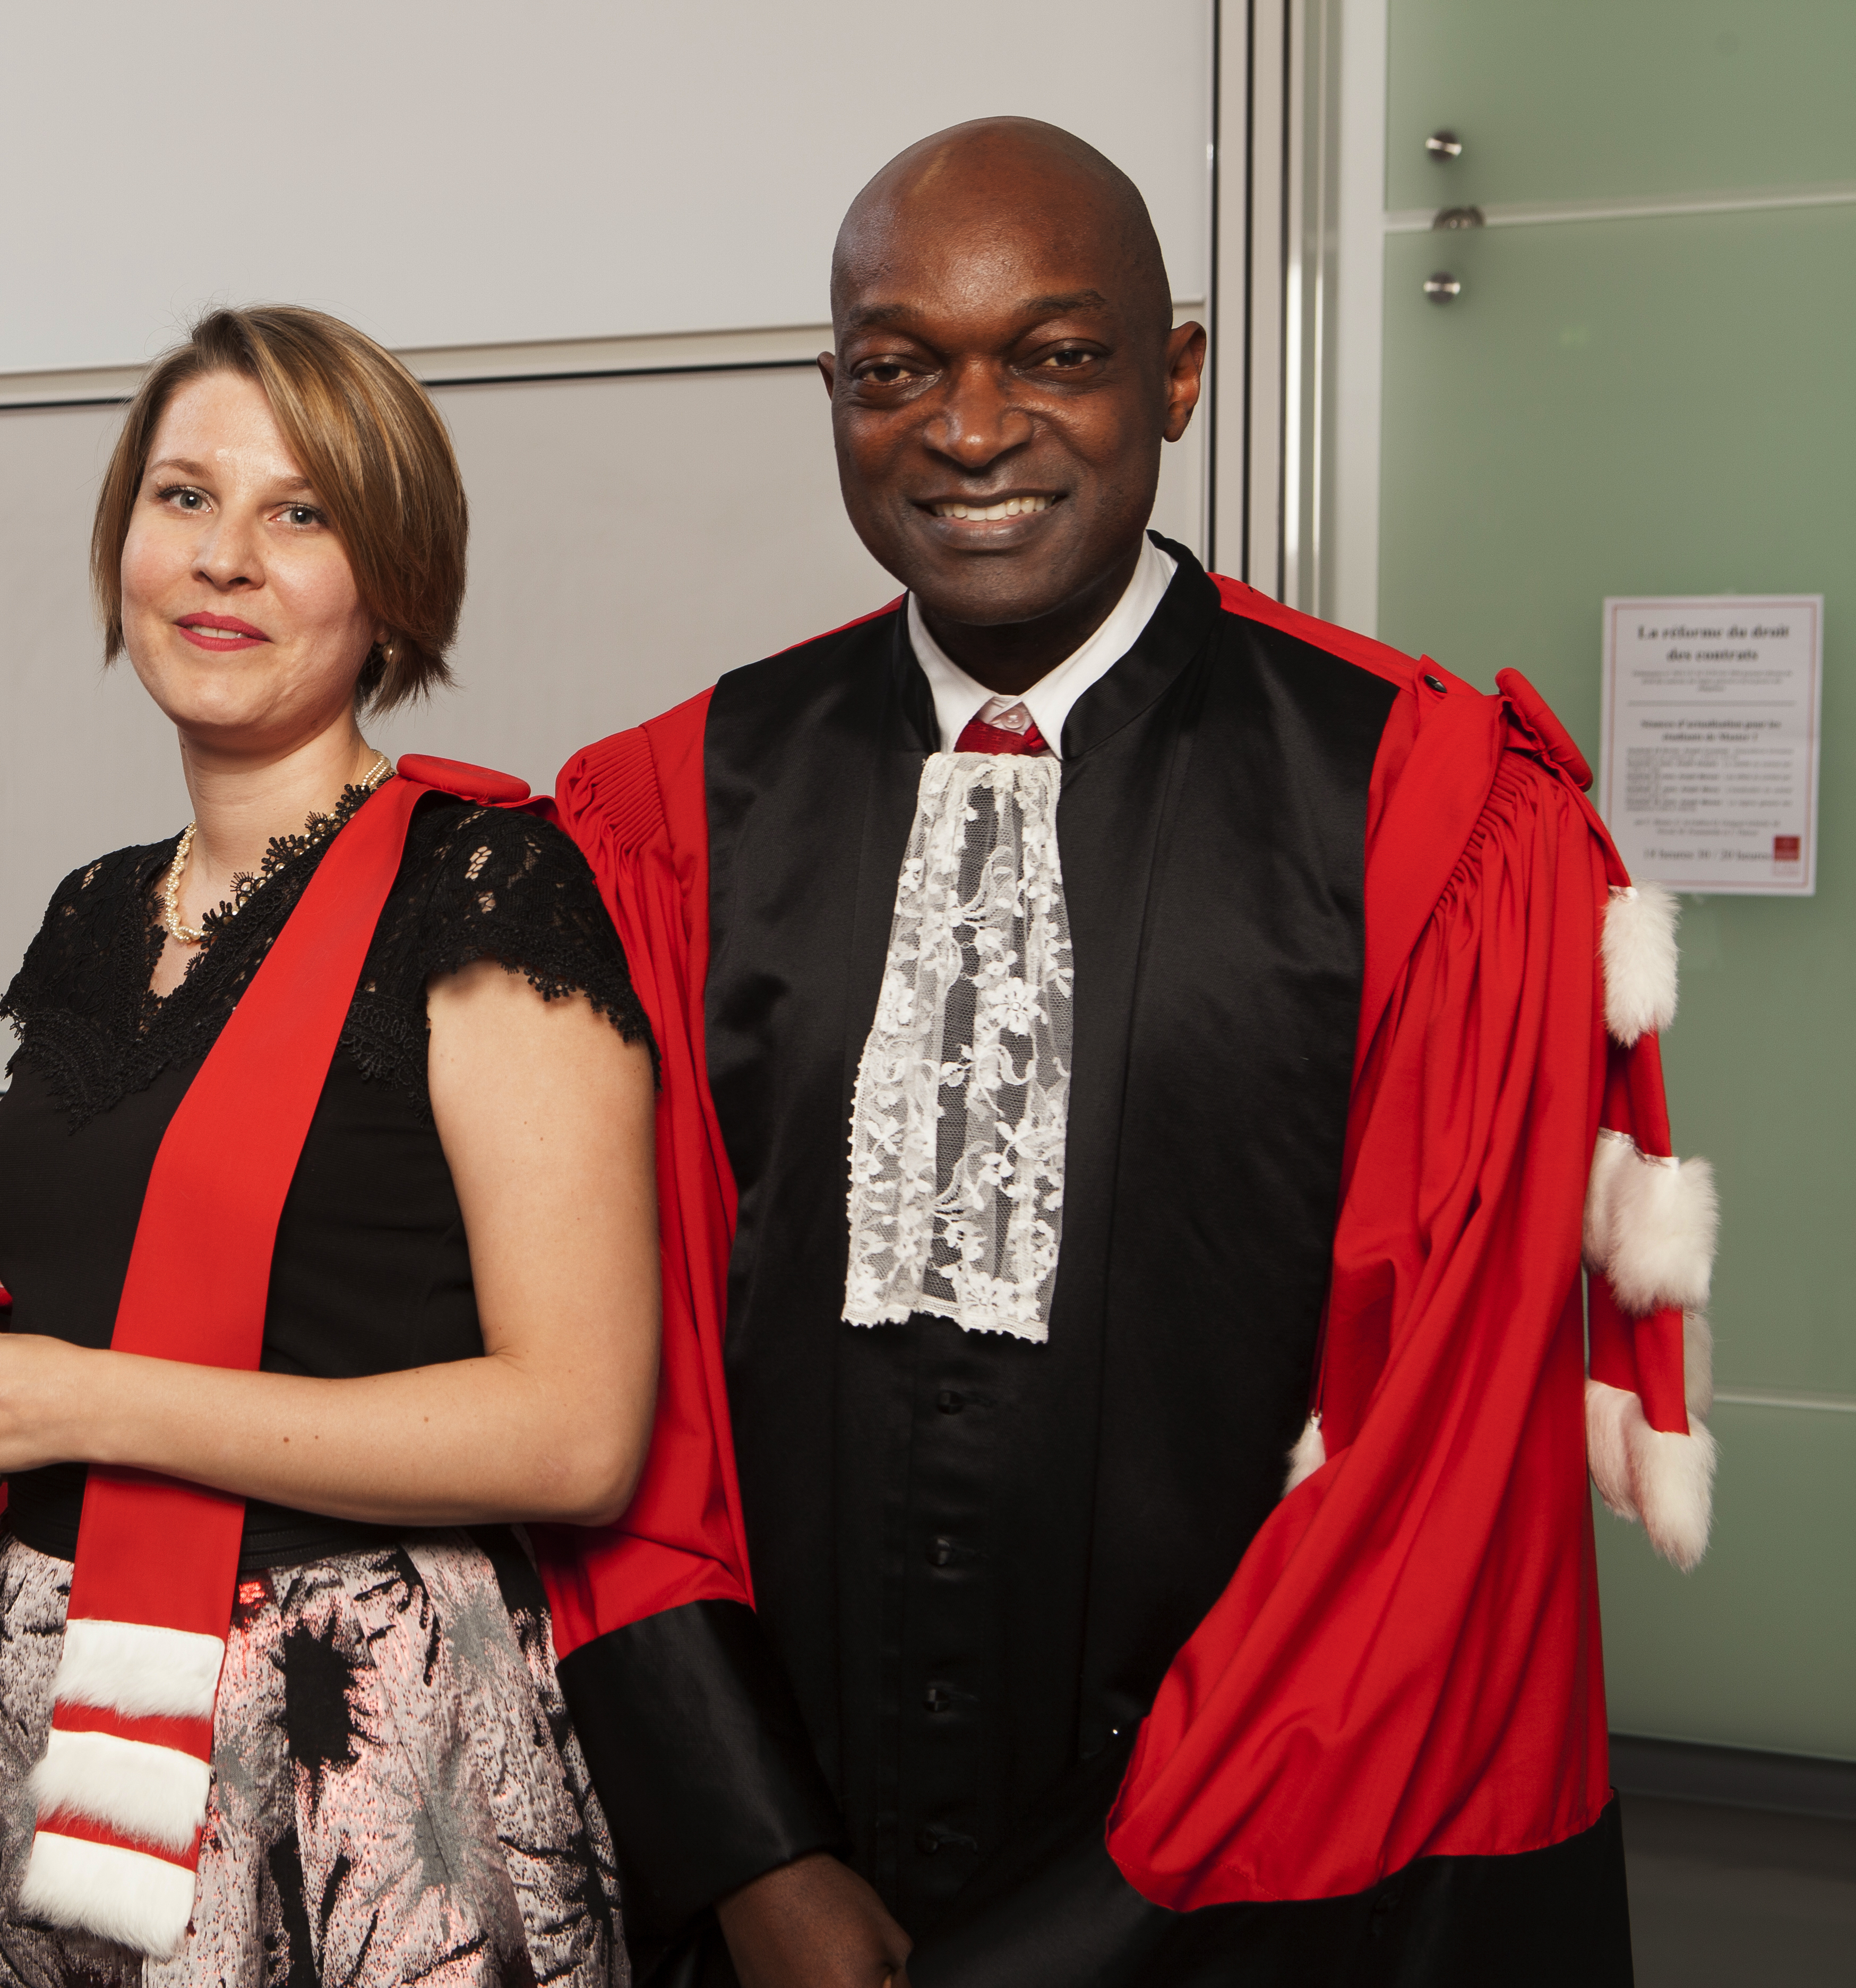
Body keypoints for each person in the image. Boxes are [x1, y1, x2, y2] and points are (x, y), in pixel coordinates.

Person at [546, 121, 1714, 1985]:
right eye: (899, 367)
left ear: (1177, 372)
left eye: (1061, 355)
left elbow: (1436, 1473)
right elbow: (624, 1391)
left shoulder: (1429, 818)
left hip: (1264, 1901)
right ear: (836, 395)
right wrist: (751, 1850)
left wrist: (1099, 1932)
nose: (973, 426)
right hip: (776, 1887)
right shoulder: (669, 814)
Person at [0, 306, 660, 1985]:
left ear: (394, 581)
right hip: (48, 1703)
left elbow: (574, 1432)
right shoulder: (96, 910)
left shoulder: (485, 888)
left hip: (347, 1722)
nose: (225, 560)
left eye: (302, 513)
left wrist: (61, 1397)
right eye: (183, 498)